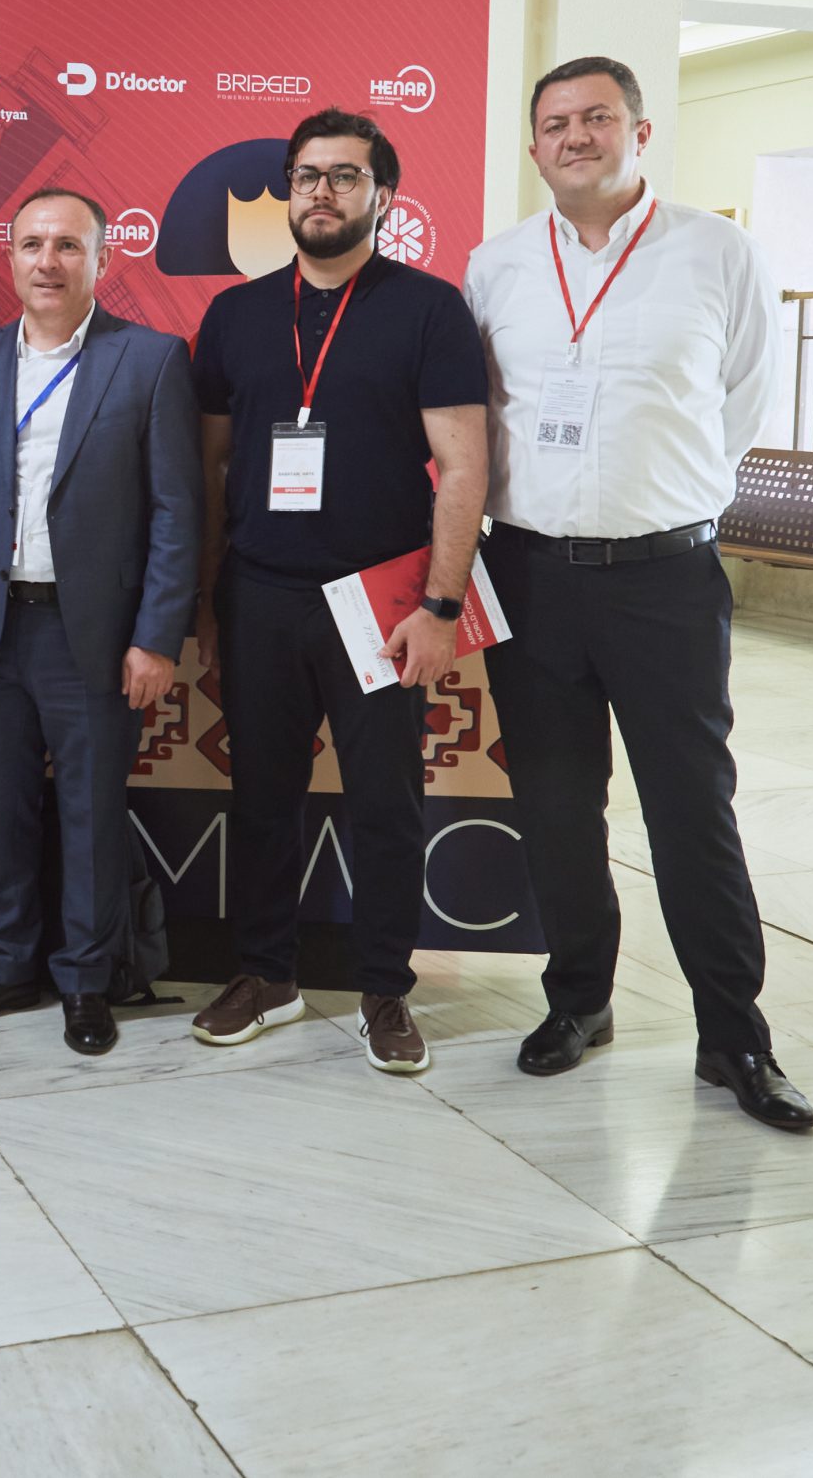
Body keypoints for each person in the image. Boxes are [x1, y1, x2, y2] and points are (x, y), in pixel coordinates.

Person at [466, 55, 813, 1132]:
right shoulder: (497, 265)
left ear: (639, 131)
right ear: (534, 145)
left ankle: (734, 1037)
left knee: (690, 807)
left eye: (597, 117)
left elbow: (744, 400)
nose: (575, 137)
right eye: (555, 123)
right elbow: (480, 417)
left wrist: (667, 501)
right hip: (528, 574)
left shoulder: (719, 252)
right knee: (556, 805)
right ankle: (579, 999)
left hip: (665, 577)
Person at [186, 109, 489, 1073]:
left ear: (382, 195)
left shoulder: (429, 309)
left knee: (386, 803)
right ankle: (267, 974)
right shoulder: (235, 315)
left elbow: (464, 466)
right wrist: (202, 598)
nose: (322, 191)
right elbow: (209, 469)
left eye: (345, 176)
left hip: (381, 601)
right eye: (307, 175)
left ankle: (385, 988)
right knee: (261, 795)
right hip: (260, 594)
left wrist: (439, 608)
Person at [0, 188, 200, 1057]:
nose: (48, 261)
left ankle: (86, 980)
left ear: (102, 258)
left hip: (93, 635)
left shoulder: (150, 360)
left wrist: (157, 637)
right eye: (32, 244)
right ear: (10, 258)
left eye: (68, 245)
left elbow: (177, 513)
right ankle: (4, 966)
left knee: (92, 814)